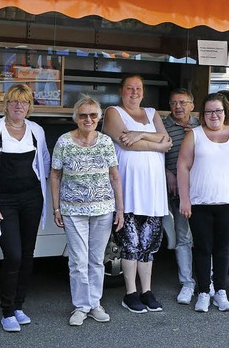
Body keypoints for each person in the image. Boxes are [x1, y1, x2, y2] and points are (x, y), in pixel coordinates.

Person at [0, 84, 51, 332]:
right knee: (13, 255)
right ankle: (6, 311)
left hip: (31, 199)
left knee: (27, 255)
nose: (19, 106)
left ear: (29, 106)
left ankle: (19, 306)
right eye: (14, 101)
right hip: (3, 201)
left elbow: (47, 165)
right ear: (6, 104)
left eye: (24, 102)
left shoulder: (36, 131)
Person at [50, 96, 125, 326]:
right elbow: (55, 176)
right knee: (78, 260)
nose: (88, 119)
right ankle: (81, 306)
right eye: (83, 115)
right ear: (76, 117)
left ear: (99, 117)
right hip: (73, 210)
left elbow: (114, 176)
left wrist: (120, 209)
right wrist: (56, 207)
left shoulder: (105, 142)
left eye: (93, 115)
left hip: (103, 209)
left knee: (96, 260)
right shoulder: (64, 142)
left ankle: (95, 304)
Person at [102, 74, 172, 313]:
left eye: (138, 88)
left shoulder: (152, 113)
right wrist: (155, 142)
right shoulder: (113, 112)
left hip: (153, 189)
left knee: (149, 244)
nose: (134, 92)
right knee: (130, 243)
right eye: (129, 88)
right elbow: (124, 142)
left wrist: (139, 134)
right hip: (129, 188)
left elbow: (168, 140)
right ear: (121, 90)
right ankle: (130, 292)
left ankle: (147, 291)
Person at [177, 93, 229, 312]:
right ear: (203, 114)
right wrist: (185, 199)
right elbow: (182, 167)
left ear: (226, 111)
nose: (214, 115)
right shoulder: (194, 135)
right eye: (209, 111)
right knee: (202, 249)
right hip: (200, 203)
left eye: (218, 110)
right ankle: (203, 292)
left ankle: (220, 291)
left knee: (223, 249)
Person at [162, 88, 200, 305]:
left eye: (183, 102)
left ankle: (207, 281)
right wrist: (167, 173)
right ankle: (187, 282)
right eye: (174, 102)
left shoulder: (202, 125)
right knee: (183, 237)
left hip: (202, 191)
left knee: (204, 238)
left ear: (192, 105)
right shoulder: (163, 126)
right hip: (177, 191)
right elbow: (156, 154)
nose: (179, 106)